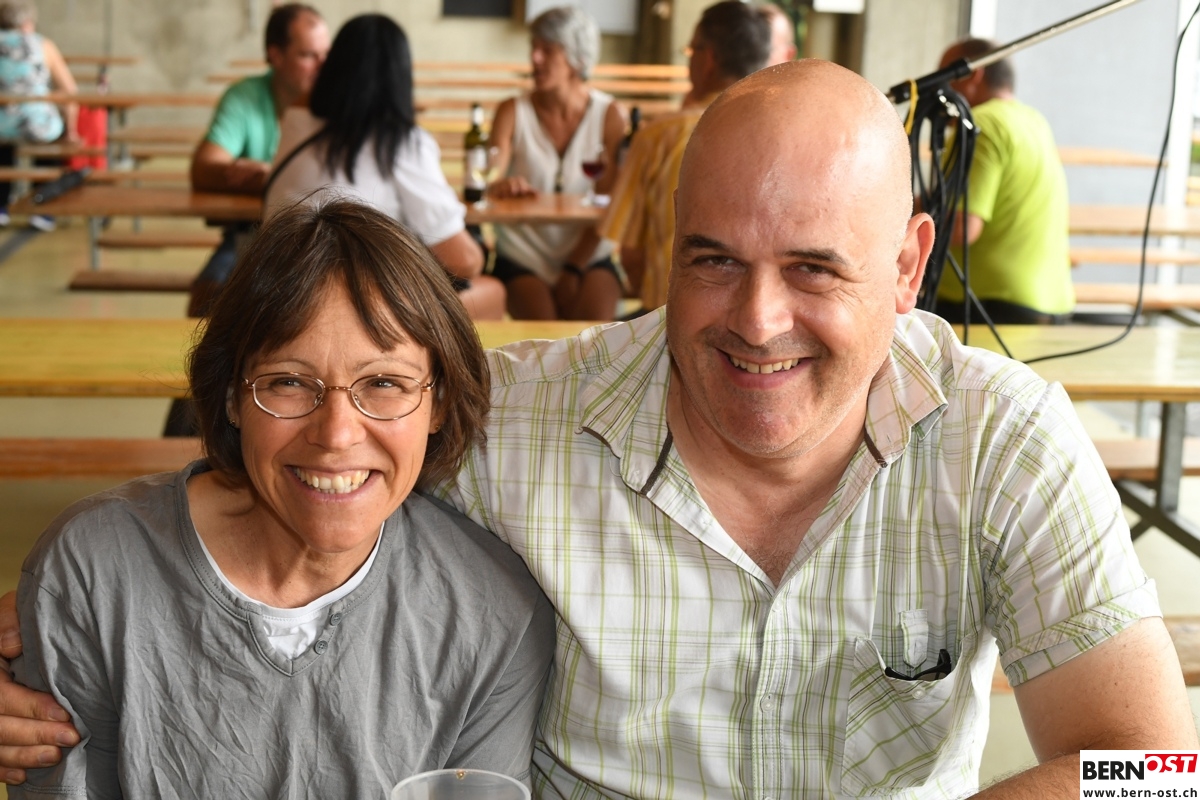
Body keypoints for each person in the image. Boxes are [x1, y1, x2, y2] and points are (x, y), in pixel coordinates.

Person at [0, 60, 1195, 797]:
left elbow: (1160, 771)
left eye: (814, 269)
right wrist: (59, 609)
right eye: (712, 259)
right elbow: (318, 453)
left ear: (908, 264)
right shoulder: (521, 417)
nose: (757, 320)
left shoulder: (1003, 441)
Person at [6, 198, 553, 796]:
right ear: (232, 399)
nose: (337, 434)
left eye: (384, 383)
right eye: (288, 382)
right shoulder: (92, 570)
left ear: (439, 403)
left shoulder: (493, 615)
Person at [266, 14, 505, 321]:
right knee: (492, 289)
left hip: (277, 297)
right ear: (400, 77)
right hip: (350, 310)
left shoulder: (295, 121)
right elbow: (464, 261)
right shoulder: (400, 143)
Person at [599, 1, 769, 314]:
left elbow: (632, 255)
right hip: (759, 317)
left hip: (670, 317)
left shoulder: (659, 136)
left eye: (691, 51)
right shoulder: (781, 134)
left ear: (709, 59)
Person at [186, 3, 329, 318]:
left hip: (324, 236)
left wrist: (272, 176)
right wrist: (281, 180)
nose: (322, 65)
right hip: (254, 233)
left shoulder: (337, 102)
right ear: (275, 55)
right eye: (308, 55)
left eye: (326, 55)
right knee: (206, 294)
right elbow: (204, 169)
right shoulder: (245, 97)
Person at [486, 5, 626, 321]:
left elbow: (612, 204)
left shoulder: (610, 115)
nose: (534, 57)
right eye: (533, 47)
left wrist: (574, 268)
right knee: (544, 334)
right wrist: (499, 185)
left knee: (596, 338)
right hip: (523, 254)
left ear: (577, 59)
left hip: (589, 254)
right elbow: (488, 178)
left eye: (547, 50)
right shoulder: (511, 111)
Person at [933, 38, 1074, 325]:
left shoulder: (979, 123)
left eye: (944, 75)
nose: (937, 88)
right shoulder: (1033, 120)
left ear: (973, 75)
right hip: (1051, 301)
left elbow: (961, 228)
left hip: (991, 304)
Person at [0, 0, 77, 232]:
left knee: (5, 139)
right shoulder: (43, 44)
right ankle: (42, 206)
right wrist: (72, 130)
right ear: (28, 22)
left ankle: (1, 205)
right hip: (37, 124)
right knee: (48, 133)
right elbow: (69, 91)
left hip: (2, 124)